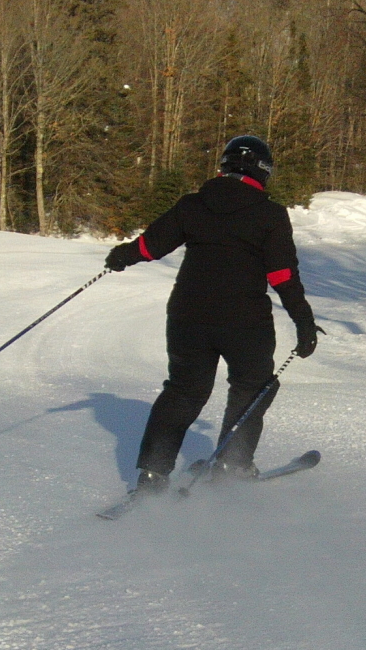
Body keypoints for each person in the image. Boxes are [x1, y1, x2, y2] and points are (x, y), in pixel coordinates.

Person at [104, 135, 323, 494]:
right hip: (244, 321)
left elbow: (150, 245)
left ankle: (152, 475)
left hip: (187, 317)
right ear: (263, 171)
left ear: (224, 165)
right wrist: (303, 321)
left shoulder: (193, 204)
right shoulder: (269, 214)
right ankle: (232, 464)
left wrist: (122, 256)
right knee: (252, 388)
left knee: (183, 391)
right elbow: (282, 275)